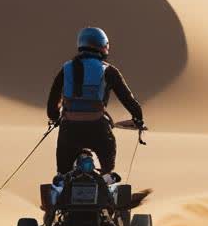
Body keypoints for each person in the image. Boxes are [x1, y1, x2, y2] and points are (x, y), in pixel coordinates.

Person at [46, 26, 145, 174]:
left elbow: (53, 101)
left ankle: (60, 184)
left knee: (63, 172)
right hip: (98, 129)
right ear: (103, 46)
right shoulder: (109, 70)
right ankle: (106, 177)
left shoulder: (66, 69)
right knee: (108, 166)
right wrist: (138, 117)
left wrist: (55, 117)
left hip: (70, 130)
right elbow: (128, 99)